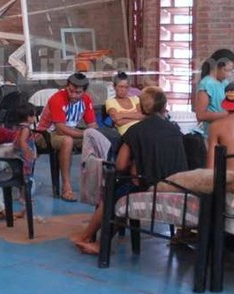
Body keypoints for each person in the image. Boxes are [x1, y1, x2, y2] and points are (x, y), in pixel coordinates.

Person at [72, 86, 189, 255]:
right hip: (177, 186)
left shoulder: (135, 131)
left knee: (113, 194)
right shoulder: (175, 130)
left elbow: (120, 165)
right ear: (164, 107)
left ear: (139, 107)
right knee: (123, 188)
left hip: (149, 187)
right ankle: (89, 237)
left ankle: (93, 240)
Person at [37, 72, 98, 202]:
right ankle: (66, 186)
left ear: (84, 92)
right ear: (67, 87)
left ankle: (95, 185)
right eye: (71, 91)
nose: (73, 95)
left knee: (96, 140)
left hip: (71, 132)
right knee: (67, 140)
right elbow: (60, 129)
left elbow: (93, 124)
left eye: (78, 92)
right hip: (45, 134)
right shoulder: (57, 98)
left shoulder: (86, 100)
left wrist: (91, 134)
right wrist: (86, 133)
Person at [194, 49, 234, 139]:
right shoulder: (206, 84)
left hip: (226, 133)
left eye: (231, 71)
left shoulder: (225, 83)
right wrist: (228, 114)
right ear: (217, 67)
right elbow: (200, 115)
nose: (229, 74)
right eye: (226, 70)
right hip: (212, 136)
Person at [13, 102, 38, 179]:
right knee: (27, 173)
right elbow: (22, 141)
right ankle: (27, 185)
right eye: (34, 115)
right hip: (25, 155)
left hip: (19, 153)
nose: (35, 118)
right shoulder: (26, 129)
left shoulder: (18, 127)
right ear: (28, 117)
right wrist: (28, 152)